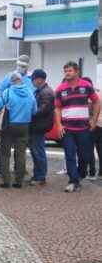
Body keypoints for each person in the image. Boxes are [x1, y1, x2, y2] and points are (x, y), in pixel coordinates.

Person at [55, 62, 100, 192]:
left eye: (69, 71)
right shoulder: (60, 89)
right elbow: (57, 108)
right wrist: (58, 125)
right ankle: (73, 181)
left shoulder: (86, 86)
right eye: (65, 71)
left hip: (84, 128)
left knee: (85, 156)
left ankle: (80, 175)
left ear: (76, 71)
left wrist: (94, 119)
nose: (67, 73)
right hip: (67, 128)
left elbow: (96, 102)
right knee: (69, 155)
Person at [0, 72, 37, 189]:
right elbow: (34, 111)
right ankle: (19, 181)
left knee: (5, 153)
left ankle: (6, 181)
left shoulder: (7, 92)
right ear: (21, 81)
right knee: (21, 154)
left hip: (8, 125)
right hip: (24, 125)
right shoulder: (29, 93)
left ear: (11, 82)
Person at [28, 69, 55, 186]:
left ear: (39, 79)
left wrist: (29, 113)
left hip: (39, 126)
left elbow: (43, 109)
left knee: (38, 151)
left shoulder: (46, 92)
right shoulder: (40, 91)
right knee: (36, 151)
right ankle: (37, 175)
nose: (32, 81)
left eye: (33, 79)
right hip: (37, 125)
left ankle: (40, 176)